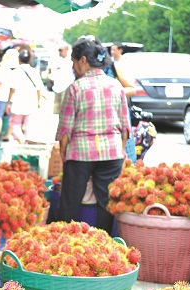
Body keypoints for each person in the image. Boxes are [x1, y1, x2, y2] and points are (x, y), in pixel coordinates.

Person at [55, 36, 131, 234]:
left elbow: (65, 128)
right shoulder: (116, 86)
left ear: (83, 60)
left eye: (73, 61)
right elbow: (125, 126)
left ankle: (63, 243)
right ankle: (103, 243)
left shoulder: (75, 88)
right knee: (106, 204)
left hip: (80, 153)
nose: (73, 66)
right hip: (111, 152)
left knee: (70, 202)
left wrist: (63, 154)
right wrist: (121, 151)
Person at [4, 47, 44, 144]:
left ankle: (21, 140)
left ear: (19, 59)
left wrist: (8, 103)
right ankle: (26, 142)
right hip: (31, 102)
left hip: (19, 102)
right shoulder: (34, 72)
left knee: (14, 124)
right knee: (29, 125)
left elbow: (12, 89)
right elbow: (39, 89)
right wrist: (38, 101)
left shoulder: (15, 72)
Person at [0, 48, 19, 144]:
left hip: (2, 95)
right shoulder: (17, 69)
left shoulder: (3, 68)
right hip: (13, 96)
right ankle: (8, 135)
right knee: (11, 117)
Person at [51, 41, 75, 115]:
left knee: (66, 111)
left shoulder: (71, 60)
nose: (59, 52)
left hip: (67, 88)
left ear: (66, 49)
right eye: (59, 50)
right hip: (57, 87)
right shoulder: (56, 60)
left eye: (61, 50)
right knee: (57, 111)